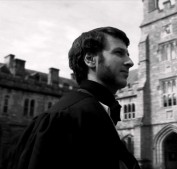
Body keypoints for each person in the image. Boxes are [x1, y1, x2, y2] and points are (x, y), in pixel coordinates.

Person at [9, 27, 140, 169]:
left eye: (127, 54)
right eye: (119, 53)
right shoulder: (64, 117)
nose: (130, 62)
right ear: (90, 59)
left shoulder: (100, 110)